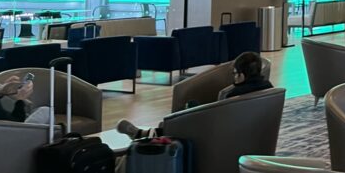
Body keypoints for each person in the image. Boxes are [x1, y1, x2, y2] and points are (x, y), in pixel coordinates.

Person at [117, 51, 273, 139]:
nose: (233, 77)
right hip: (246, 136)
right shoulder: (269, 90)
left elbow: (218, 122)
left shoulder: (231, 95)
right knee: (182, 116)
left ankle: (143, 134)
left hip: (215, 137)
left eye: (235, 74)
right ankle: (151, 132)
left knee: (185, 114)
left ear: (241, 76)